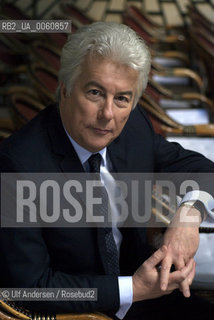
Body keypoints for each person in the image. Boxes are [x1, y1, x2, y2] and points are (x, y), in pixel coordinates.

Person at [0, 22, 214, 320]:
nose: (108, 114)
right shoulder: (16, 166)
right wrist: (134, 288)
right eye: (95, 93)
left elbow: (203, 169)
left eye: (122, 99)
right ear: (64, 89)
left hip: (146, 298)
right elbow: (32, 289)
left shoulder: (132, 127)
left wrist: (189, 217)